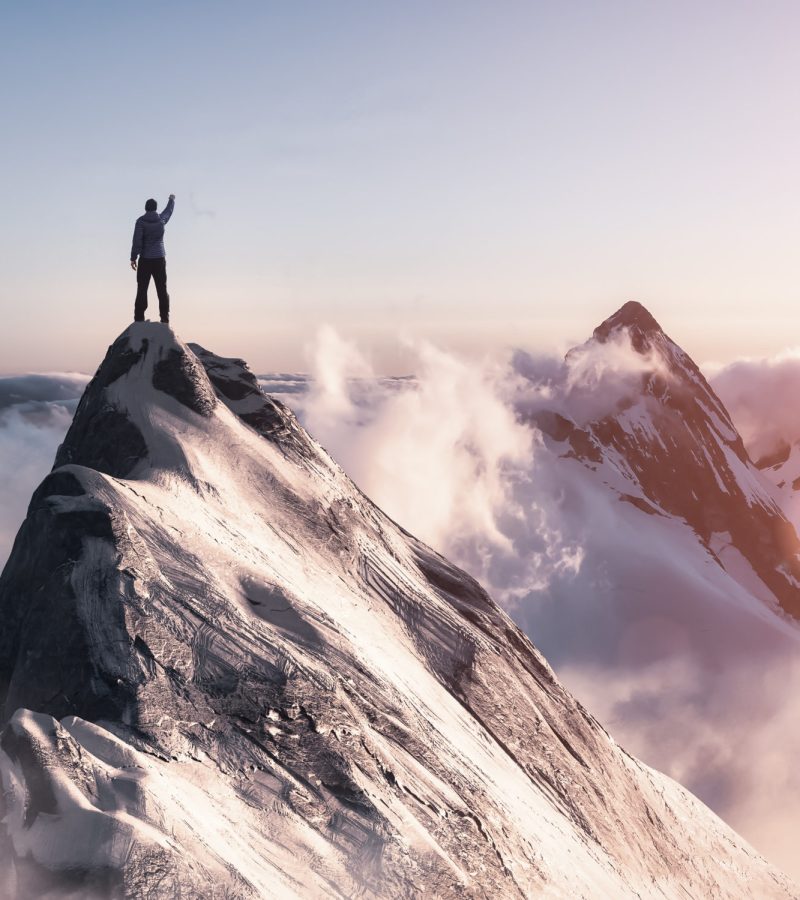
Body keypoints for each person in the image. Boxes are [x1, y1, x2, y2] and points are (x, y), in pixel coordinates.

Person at [130, 194, 175, 323]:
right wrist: (171, 200)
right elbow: (169, 211)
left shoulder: (141, 221)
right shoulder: (161, 220)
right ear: (155, 208)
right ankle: (164, 318)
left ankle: (139, 318)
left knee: (142, 289)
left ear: (145, 208)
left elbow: (137, 241)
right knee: (162, 289)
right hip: (159, 259)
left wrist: (133, 257)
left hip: (145, 259)